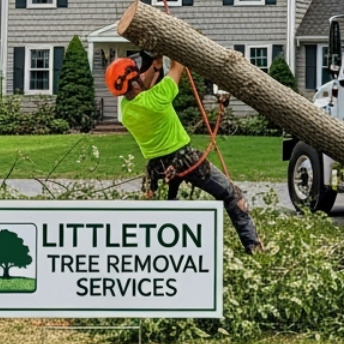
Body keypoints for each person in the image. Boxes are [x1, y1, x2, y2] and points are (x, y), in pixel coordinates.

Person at [107, 56, 264, 253]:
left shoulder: (126, 109)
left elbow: (144, 83)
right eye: (139, 75)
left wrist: (155, 63)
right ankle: (254, 247)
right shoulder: (158, 98)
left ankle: (164, 252)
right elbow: (178, 64)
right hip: (185, 159)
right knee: (232, 195)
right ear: (134, 83)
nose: (142, 75)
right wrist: (170, 48)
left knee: (166, 214)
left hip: (158, 169)